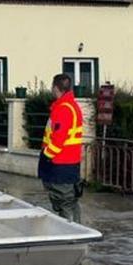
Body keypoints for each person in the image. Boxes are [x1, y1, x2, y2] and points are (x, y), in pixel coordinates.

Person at [38, 74, 84, 223]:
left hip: (60, 163)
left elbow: (58, 139)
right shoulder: (72, 106)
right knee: (70, 200)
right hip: (70, 161)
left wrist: (46, 156)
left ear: (56, 88)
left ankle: (71, 232)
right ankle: (76, 229)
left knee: (64, 201)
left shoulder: (62, 109)